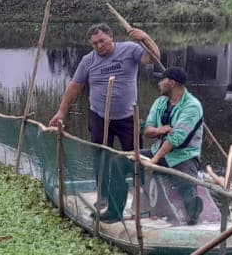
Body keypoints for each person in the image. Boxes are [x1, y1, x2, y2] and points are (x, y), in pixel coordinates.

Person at [49, 22, 161, 222]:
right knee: (101, 156)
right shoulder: (88, 61)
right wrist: (61, 112)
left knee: (136, 157)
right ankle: (104, 196)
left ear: (111, 37)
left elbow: (153, 58)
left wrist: (145, 38)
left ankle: (142, 196)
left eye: (102, 41)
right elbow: (74, 86)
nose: (99, 46)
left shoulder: (130, 50)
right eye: (95, 43)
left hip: (128, 116)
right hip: (100, 116)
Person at [140, 66, 205, 224]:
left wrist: (153, 161)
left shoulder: (192, 106)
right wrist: (159, 130)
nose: (159, 84)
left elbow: (175, 139)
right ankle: (114, 207)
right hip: (159, 152)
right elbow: (147, 130)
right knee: (119, 162)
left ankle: (192, 214)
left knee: (186, 183)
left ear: (171, 83)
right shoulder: (160, 102)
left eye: (161, 80)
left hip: (183, 157)